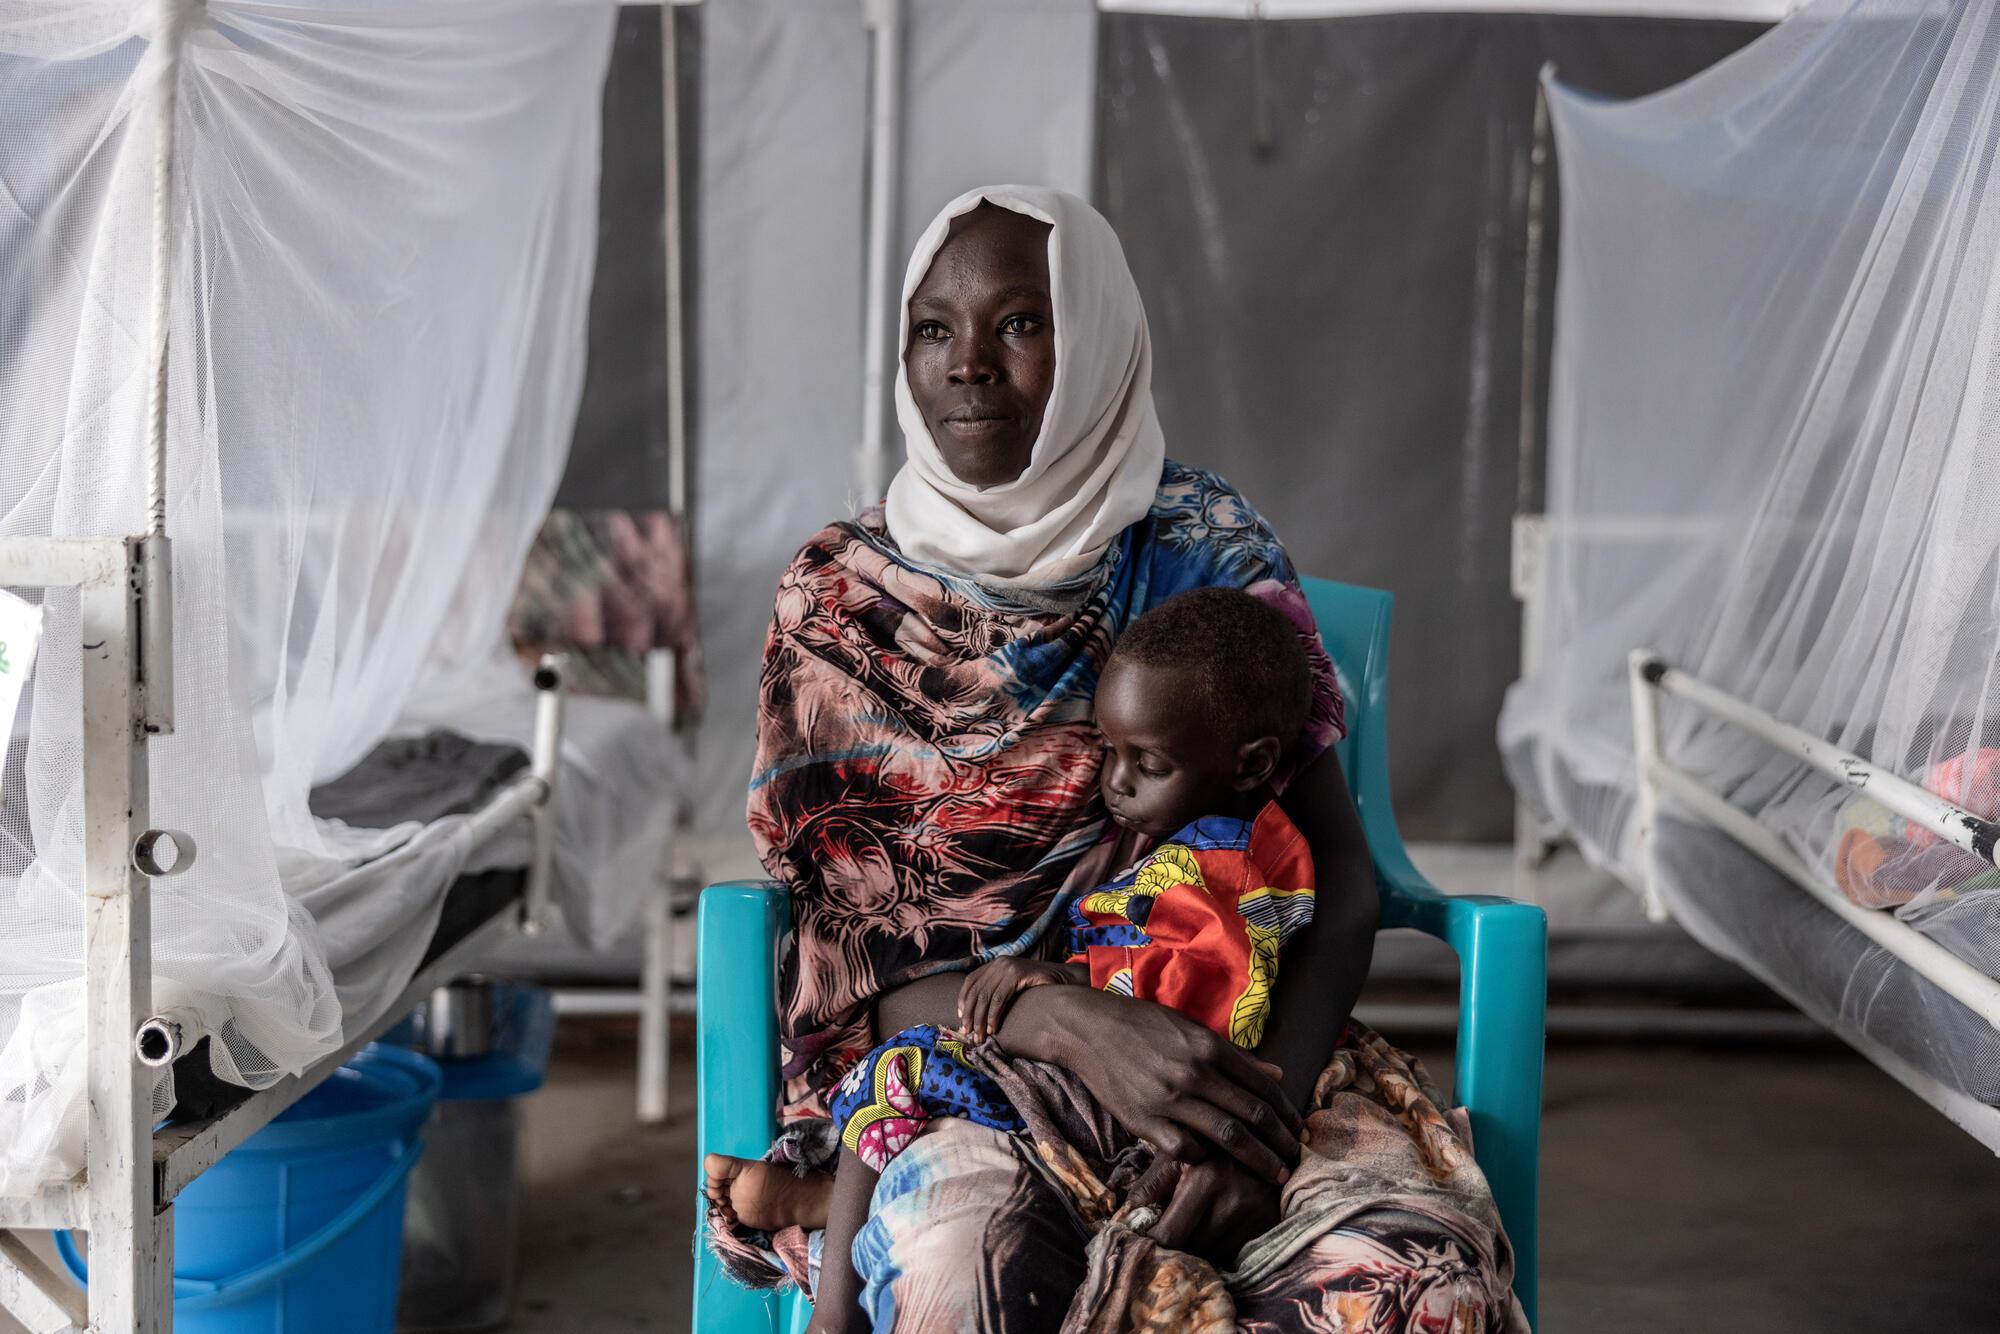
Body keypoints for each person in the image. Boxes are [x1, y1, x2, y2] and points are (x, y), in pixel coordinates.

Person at [704, 185, 1524, 1332]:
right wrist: (1064, 1023)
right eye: (933, 329)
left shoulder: (1203, 548)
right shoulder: (842, 601)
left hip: (1221, 1055)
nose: (968, 364)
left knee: (1415, 1287)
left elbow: (1332, 869)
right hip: (961, 1067)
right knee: (959, 1273)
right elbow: (849, 958)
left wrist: (1263, 1122)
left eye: (1021, 323)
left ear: (1098, 342)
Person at [783, 587, 1319, 1331]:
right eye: (1108, 750)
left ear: (1250, 763)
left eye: (1148, 762)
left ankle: (833, 1307)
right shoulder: (1209, 850)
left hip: (1132, 1108)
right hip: (1124, 1090)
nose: (1116, 782)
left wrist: (1060, 981)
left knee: (899, 1069)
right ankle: (820, 1211)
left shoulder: (1218, 874)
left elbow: (1179, 1007)